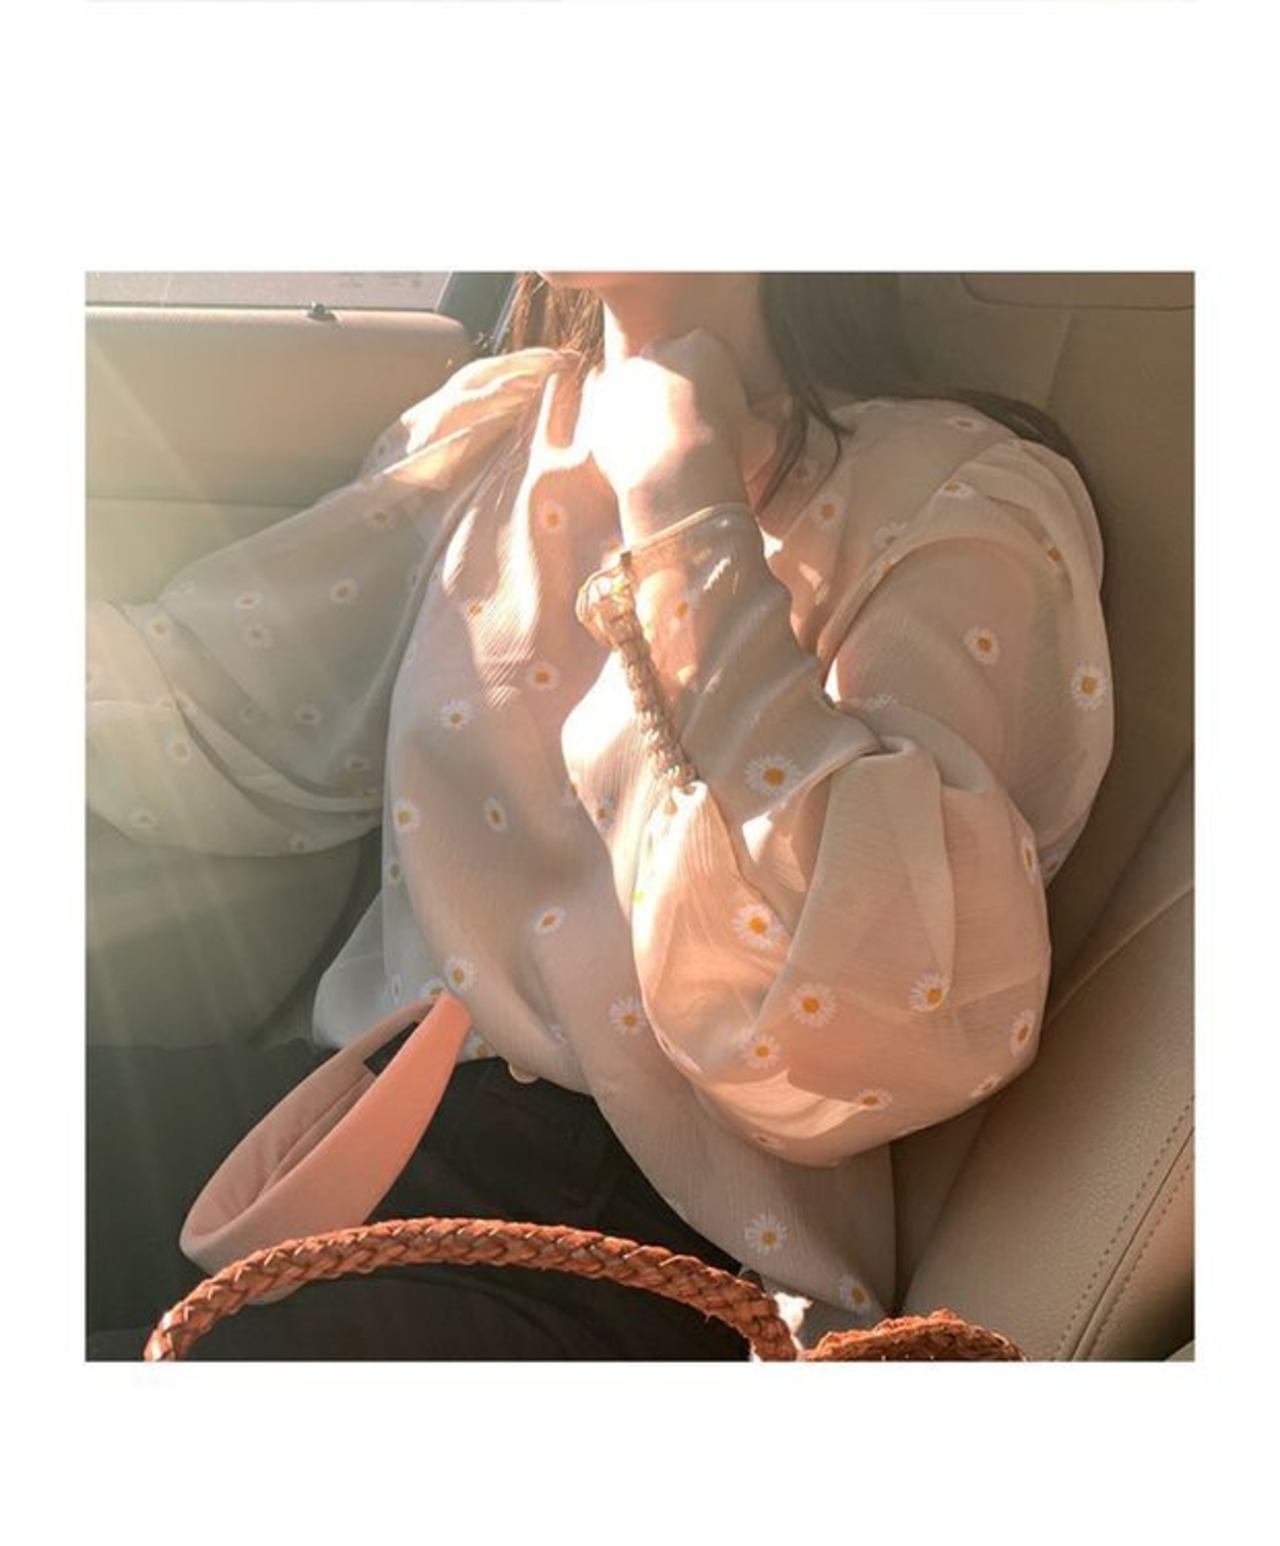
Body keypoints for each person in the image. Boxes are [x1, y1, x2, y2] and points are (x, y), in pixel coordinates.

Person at [85, 272, 1114, 1359]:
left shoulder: (954, 499)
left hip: (647, 1239)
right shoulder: (500, 436)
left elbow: (864, 999)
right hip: (344, 1123)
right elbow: (211, 697)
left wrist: (684, 506)